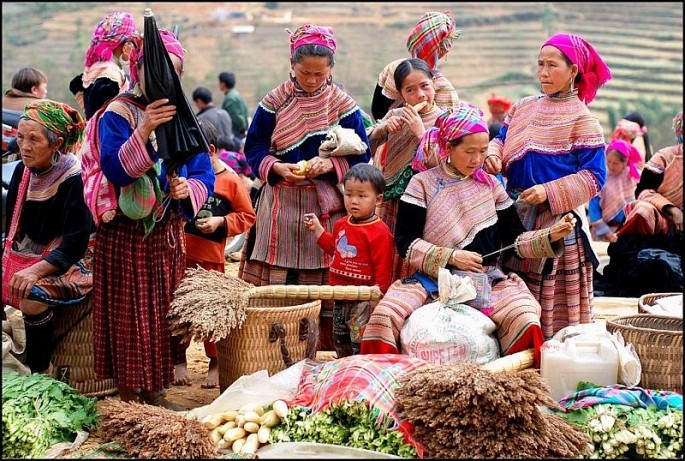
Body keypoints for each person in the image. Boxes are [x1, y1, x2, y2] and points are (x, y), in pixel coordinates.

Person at [359, 103, 577, 367]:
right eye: (469, 151)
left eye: (483, 151)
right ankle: (382, 379)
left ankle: (516, 386)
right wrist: (452, 257)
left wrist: (551, 235)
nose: (477, 160)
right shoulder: (422, 184)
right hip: (430, 282)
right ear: (448, 147)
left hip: (487, 280)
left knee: (525, 317)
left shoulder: (492, 186)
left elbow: (515, 242)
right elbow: (405, 242)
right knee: (385, 316)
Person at [90, 28, 215, 408]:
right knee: (129, 317)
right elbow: (114, 169)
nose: (164, 80)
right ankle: (130, 396)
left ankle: (157, 390)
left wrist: (188, 189)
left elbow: (203, 171)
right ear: (136, 68)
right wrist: (144, 129)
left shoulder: (181, 115)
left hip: (165, 233)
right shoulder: (118, 113)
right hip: (126, 232)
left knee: (161, 313)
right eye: (157, 71)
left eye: (173, 73)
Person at [238, 23, 371, 352]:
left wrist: (332, 165)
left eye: (319, 74)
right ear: (292, 65)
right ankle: (269, 352)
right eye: (304, 73)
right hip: (280, 207)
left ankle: (320, 351)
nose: (311, 80)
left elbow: (363, 155)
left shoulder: (342, 105)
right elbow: (253, 148)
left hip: (324, 206)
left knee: (323, 282)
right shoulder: (274, 102)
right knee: (278, 284)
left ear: (331, 69)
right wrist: (276, 167)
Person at [484, 33, 611, 339]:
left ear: (573, 70)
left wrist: (548, 191)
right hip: (513, 217)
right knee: (511, 298)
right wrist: (491, 154)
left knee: (554, 315)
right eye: (540, 64)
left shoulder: (583, 119)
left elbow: (595, 177)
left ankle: (552, 359)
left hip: (557, 223)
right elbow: (501, 140)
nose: (543, 72)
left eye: (552, 65)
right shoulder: (523, 107)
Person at [3, 99, 94, 374]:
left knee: (31, 296)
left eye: (34, 139)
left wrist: (34, 272)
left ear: (56, 143)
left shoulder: (75, 177)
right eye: (20, 137)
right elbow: (13, 230)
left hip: (75, 259)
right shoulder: (22, 170)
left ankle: (40, 370)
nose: (25, 146)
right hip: (34, 251)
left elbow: (76, 243)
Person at [174, 119, 256, 388]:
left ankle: (215, 363)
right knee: (177, 311)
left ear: (210, 150)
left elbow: (247, 216)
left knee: (213, 313)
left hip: (211, 259)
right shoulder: (183, 176)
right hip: (179, 256)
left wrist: (221, 223)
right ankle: (179, 361)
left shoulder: (230, 181)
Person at [304, 163, 394, 357]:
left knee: (358, 340)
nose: (354, 201)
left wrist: (377, 297)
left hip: (362, 298)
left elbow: (383, 268)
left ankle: (357, 369)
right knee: (340, 338)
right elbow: (335, 248)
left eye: (362, 196)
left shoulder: (379, 232)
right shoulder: (341, 224)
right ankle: (342, 370)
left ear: (378, 199)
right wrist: (318, 229)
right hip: (339, 295)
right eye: (349, 194)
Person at [368, 57, 444, 282]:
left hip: (427, 204)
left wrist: (422, 134)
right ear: (401, 95)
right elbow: (365, 149)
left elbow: (444, 164)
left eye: (425, 86)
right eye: (410, 90)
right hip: (395, 201)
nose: (420, 95)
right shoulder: (395, 116)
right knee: (390, 255)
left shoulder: (446, 120)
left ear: (434, 84)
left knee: (417, 255)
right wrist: (381, 130)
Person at [371, 11, 460, 121]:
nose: (447, 49)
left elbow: (377, 112)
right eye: (443, 43)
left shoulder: (394, 68)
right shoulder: (442, 85)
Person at [617, 111, 682, 238]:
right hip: (662, 216)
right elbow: (643, 190)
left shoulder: (638, 140)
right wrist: (672, 210)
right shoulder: (666, 157)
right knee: (642, 211)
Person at [69, 11, 140, 120]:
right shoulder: (110, 75)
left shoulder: (96, 67)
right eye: (133, 42)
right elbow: (105, 118)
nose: (134, 48)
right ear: (125, 45)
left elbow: (76, 85)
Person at [588, 139, 641, 242]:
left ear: (625, 162)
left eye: (615, 163)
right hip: (604, 234)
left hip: (630, 232)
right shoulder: (600, 178)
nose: (611, 166)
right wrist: (607, 233)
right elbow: (593, 208)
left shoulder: (635, 178)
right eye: (608, 161)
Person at [218, 71, 249, 140]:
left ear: (223, 84)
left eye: (219, 82)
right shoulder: (235, 94)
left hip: (236, 134)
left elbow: (236, 117)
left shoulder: (230, 98)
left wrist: (242, 129)